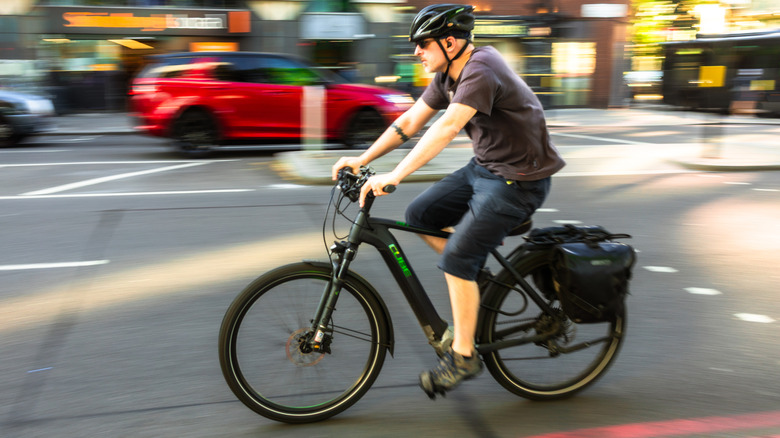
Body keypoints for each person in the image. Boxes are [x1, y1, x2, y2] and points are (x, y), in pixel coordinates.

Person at [331, 3, 565, 399]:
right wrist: (362, 159)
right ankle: (478, 281)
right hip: (486, 167)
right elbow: (409, 122)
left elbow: (447, 127)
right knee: (421, 213)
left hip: (520, 180)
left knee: (456, 258)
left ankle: (463, 355)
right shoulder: (446, 74)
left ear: (450, 41)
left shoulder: (480, 70)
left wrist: (395, 176)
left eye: (422, 44)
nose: (416, 53)